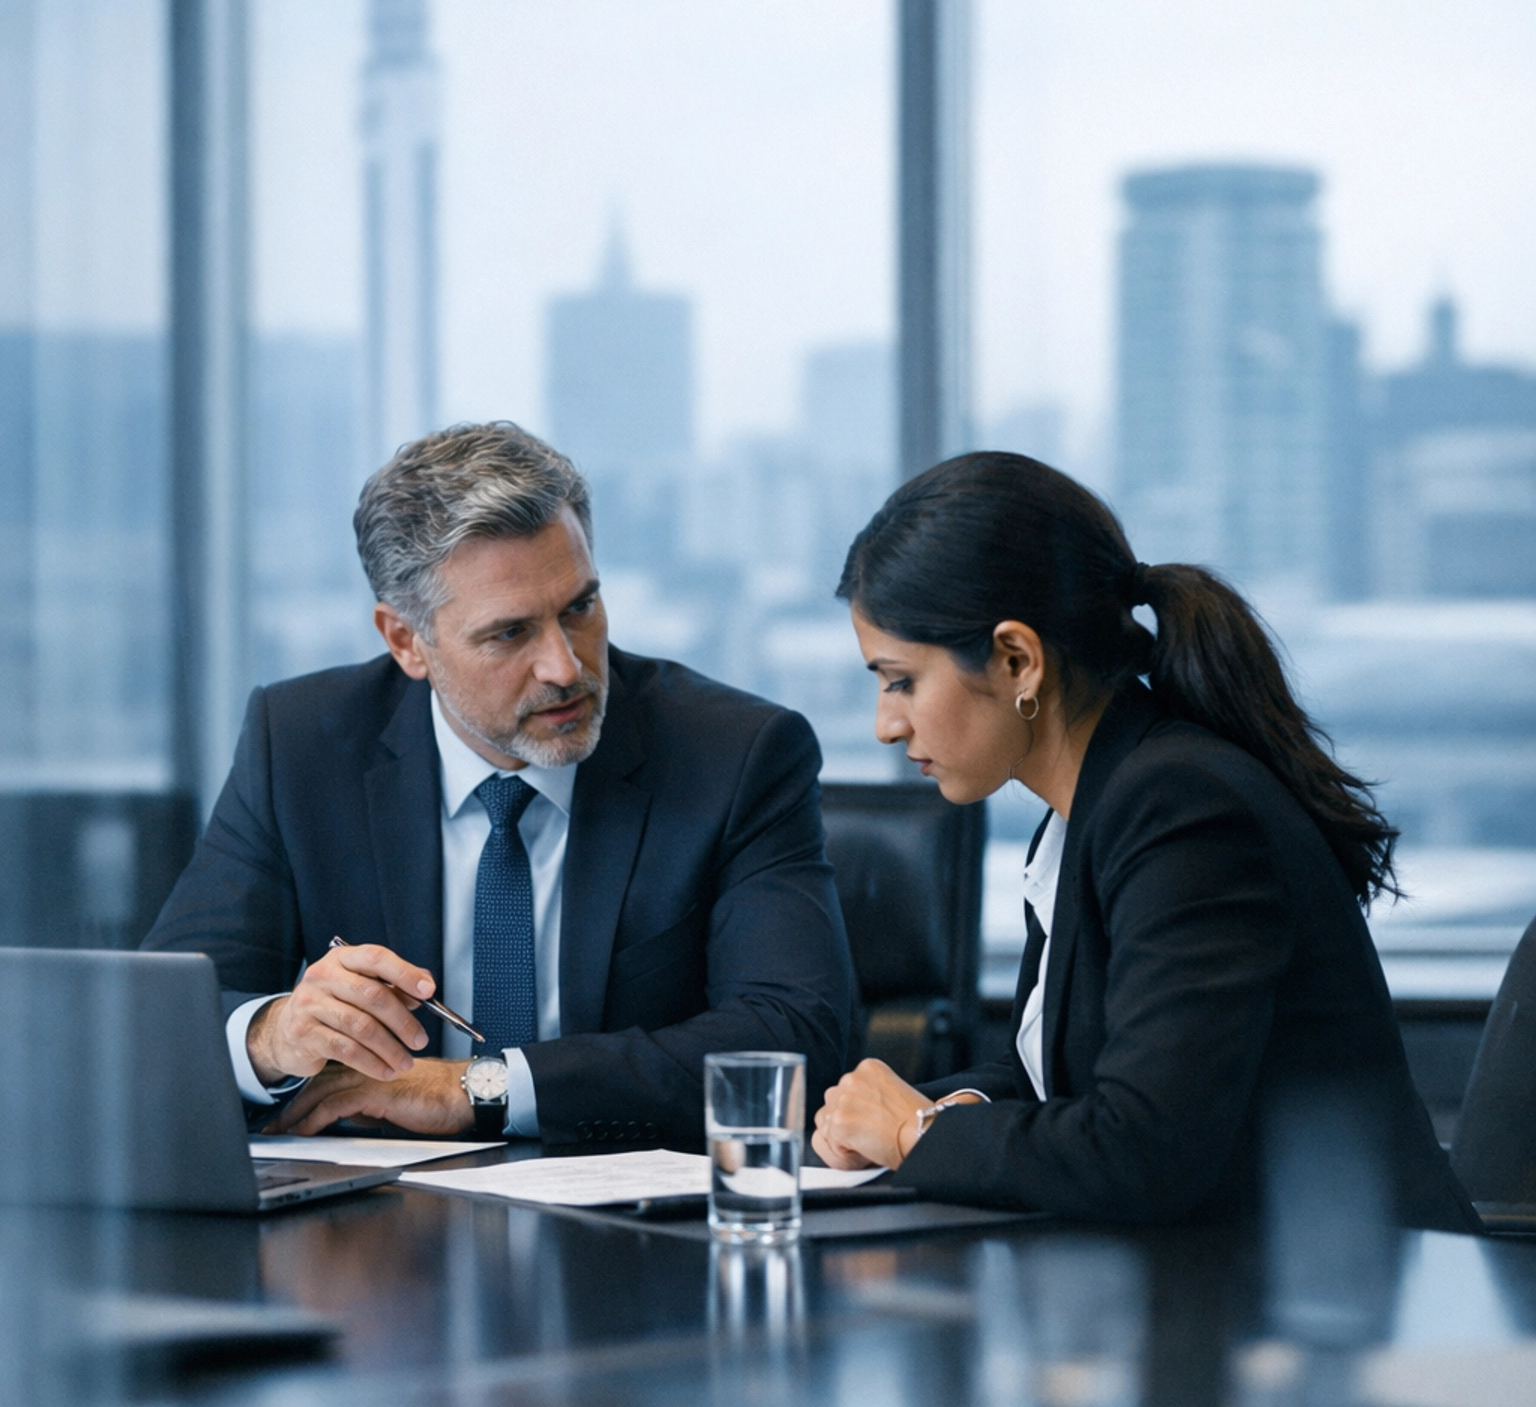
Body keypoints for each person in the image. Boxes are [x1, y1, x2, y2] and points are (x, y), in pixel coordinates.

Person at [811, 451, 1479, 1233]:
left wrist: (912, 1134)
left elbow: (1144, 1148)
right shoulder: (1086, 813)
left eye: (900, 680)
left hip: (1348, 1304)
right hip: (1227, 1289)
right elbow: (1058, 1070)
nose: (887, 725)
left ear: (1018, 659)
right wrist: (944, 1109)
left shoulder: (1180, 810)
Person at [145, 422, 853, 1151]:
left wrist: (475, 1090)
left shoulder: (734, 754)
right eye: (509, 634)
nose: (564, 667)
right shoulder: (301, 744)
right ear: (405, 642)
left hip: (631, 1230)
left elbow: (796, 1038)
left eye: (579, 608)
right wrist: (270, 1036)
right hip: (379, 1236)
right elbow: (157, 1017)